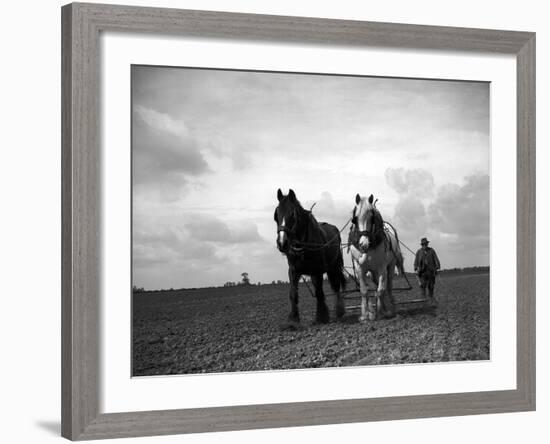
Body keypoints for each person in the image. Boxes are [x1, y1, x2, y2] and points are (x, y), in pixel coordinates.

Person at [414, 237, 441, 307]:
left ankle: (431, 302)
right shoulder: (418, 252)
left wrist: (437, 266)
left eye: (426, 244)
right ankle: (424, 303)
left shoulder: (431, 251)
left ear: (427, 244)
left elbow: (436, 259)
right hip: (422, 273)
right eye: (423, 244)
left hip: (431, 273)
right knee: (423, 288)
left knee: (431, 287)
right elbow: (415, 262)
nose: (424, 245)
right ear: (421, 245)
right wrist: (416, 269)